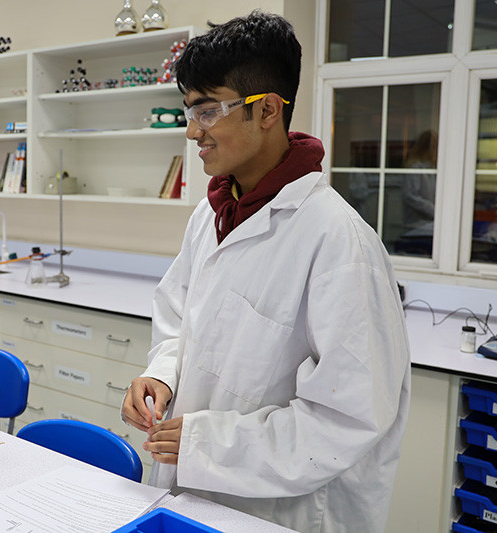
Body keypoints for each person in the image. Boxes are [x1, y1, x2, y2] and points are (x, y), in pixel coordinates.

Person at [121, 11, 411, 533]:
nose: (192, 132)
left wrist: (209, 444)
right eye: (189, 111)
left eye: (207, 111)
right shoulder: (211, 214)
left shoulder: (338, 241)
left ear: (268, 110)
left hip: (279, 513)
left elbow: (350, 417)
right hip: (191, 492)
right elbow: (179, 317)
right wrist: (161, 375)